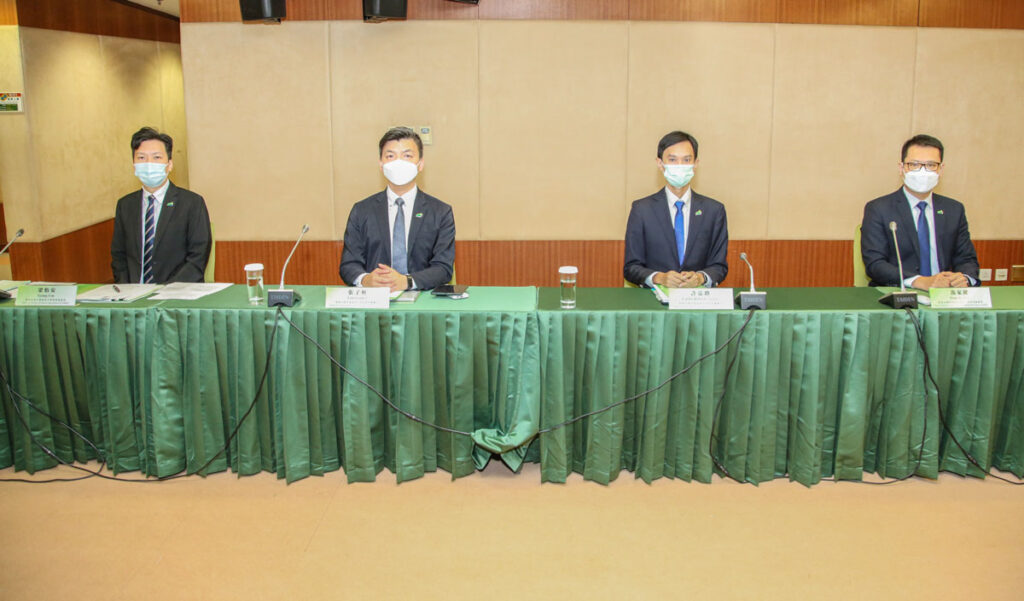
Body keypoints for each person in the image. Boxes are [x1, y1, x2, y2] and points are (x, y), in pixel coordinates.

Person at [339, 127, 455, 291]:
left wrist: (407, 281)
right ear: (381, 164)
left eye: (407, 156)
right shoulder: (362, 210)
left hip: (421, 298)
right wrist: (365, 279)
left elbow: (443, 268)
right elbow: (349, 264)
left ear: (420, 164)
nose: (399, 162)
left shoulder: (440, 212)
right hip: (374, 298)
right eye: (390, 156)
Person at [861, 134, 979, 289]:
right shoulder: (879, 209)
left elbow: (967, 259)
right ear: (901, 168)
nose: (923, 171)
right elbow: (875, 264)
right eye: (914, 164)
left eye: (931, 165)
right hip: (900, 293)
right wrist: (919, 281)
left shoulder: (954, 210)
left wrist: (965, 278)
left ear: (941, 170)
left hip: (944, 294)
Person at [624, 130, 728, 288]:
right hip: (654, 299)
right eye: (672, 160)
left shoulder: (714, 211)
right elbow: (631, 267)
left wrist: (701, 278)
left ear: (695, 164)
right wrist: (659, 277)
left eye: (686, 160)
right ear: (660, 164)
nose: (680, 165)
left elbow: (719, 266)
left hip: (697, 298)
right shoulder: (642, 210)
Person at [110, 127, 211, 284]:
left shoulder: (192, 203)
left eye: (156, 157)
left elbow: (197, 258)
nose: (149, 164)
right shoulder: (125, 205)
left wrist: (166, 291)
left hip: (177, 293)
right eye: (141, 157)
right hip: (134, 294)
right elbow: (119, 256)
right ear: (134, 165)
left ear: (169, 164)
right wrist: (126, 290)